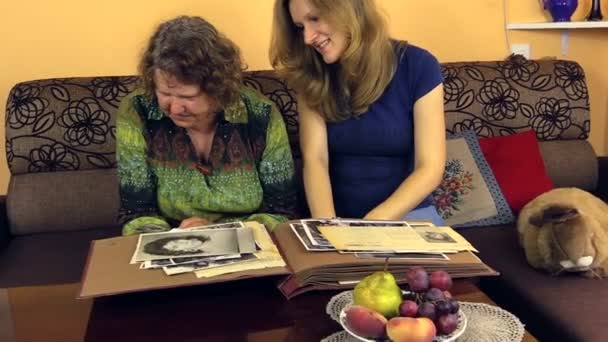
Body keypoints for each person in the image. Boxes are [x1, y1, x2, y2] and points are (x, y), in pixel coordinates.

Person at [117, 15, 297, 235]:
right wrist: (174, 240)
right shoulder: (137, 111)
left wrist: (219, 231)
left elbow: (281, 211)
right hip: (170, 241)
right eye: (164, 93)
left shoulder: (260, 115)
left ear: (217, 88)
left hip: (251, 240)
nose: (173, 108)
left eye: (187, 97)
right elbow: (136, 212)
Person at [270, 0, 446, 224]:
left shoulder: (419, 65)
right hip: (337, 219)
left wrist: (372, 225)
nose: (307, 38)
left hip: (408, 215)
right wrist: (330, 228)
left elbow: (429, 168)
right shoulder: (311, 75)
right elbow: (316, 160)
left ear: (349, 9)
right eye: (300, 27)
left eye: (315, 19)